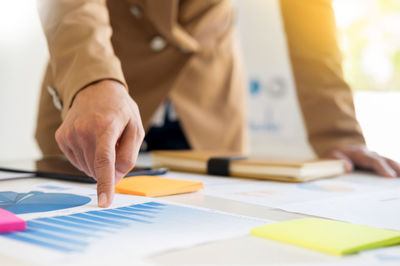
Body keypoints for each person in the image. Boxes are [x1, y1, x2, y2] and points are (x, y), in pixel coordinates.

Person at [35, 0, 400, 208]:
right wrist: (93, 77)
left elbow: (309, 17)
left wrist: (337, 132)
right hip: (94, 93)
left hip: (208, 103)